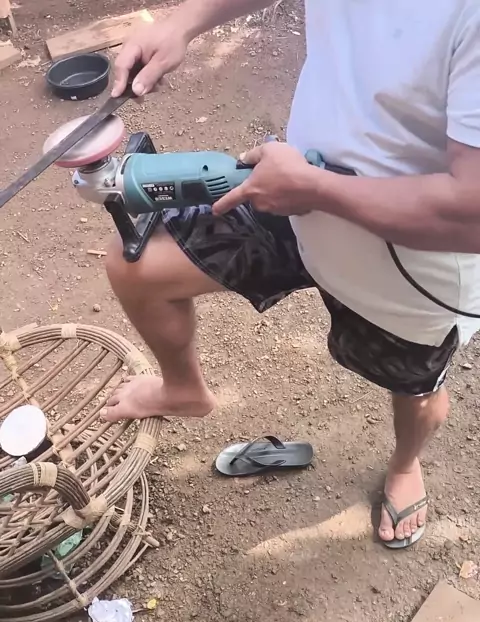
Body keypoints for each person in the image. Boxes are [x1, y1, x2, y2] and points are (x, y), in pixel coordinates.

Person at [105, 0, 480, 549]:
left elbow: (473, 214)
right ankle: (183, 389)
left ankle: (405, 464)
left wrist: (317, 190)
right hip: (294, 183)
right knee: (137, 265)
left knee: (416, 389)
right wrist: (184, 21)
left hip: (408, 267)